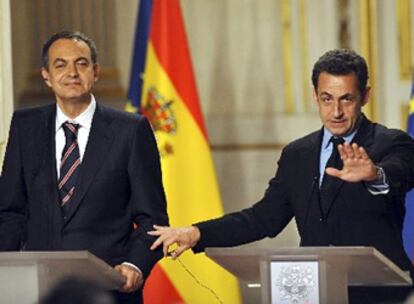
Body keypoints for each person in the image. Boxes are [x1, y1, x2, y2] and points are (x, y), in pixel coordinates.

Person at [149, 49, 414, 303]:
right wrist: (197, 233)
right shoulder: (297, 154)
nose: (336, 112)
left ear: (365, 95)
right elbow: (263, 219)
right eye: (327, 98)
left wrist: (374, 174)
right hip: (314, 293)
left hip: (381, 294)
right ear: (314, 96)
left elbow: (403, 173)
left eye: (346, 98)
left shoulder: (391, 143)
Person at [0, 31, 168, 304]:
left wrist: (135, 266)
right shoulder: (25, 125)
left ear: (96, 71)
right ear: (46, 76)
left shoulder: (131, 130)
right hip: (38, 290)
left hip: (110, 289)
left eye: (81, 63)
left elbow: (153, 219)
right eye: (60, 64)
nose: (72, 73)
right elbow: (10, 212)